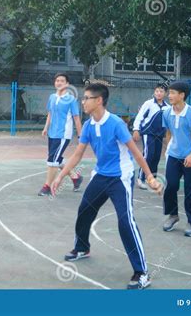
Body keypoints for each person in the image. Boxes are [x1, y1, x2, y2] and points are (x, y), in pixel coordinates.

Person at [52, 82, 162, 290]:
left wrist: (149, 177)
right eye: (83, 98)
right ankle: (82, 248)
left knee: (125, 221)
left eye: (86, 98)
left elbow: (136, 152)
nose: (83, 102)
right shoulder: (88, 126)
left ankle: (142, 272)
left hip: (121, 177)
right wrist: (61, 176)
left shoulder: (116, 124)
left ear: (99, 100)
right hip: (101, 175)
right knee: (85, 210)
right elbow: (77, 154)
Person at [162, 82, 191, 237]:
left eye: (173, 93)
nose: (169, 96)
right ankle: (173, 215)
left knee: (190, 190)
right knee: (170, 186)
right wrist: (169, 148)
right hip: (173, 156)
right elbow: (168, 132)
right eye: (169, 93)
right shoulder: (167, 112)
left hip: (190, 157)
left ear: (182, 95)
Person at [39, 73, 83, 196]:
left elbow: (76, 118)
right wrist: (45, 127)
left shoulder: (71, 100)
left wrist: (81, 136)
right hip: (52, 133)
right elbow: (50, 113)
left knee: (53, 160)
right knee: (56, 158)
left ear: (67, 84)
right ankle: (75, 177)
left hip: (63, 135)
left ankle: (47, 186)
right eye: (57, 80)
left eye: (62, 81)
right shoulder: (52, 97)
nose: (59, 83)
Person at [132, 85, 169, 189]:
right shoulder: (148, 104)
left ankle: (152, 180)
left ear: (165, 93)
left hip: (159, 135)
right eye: (156, 91)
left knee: (156, 157)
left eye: (161, 91)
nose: (158, 93)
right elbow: (139, 116)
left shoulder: (167, 107)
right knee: (149, 155)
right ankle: (141, 179)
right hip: (148, 133)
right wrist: (136, 129)